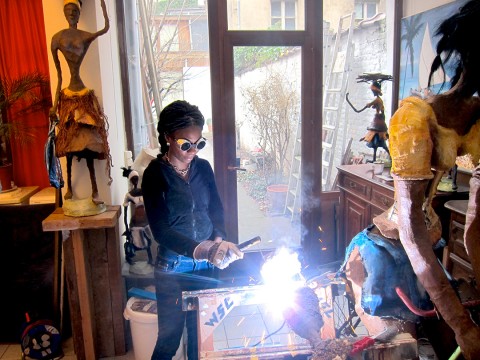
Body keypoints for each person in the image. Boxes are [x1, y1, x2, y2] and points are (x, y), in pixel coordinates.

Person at [383, 1, 480, 358]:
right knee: (401, 346)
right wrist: (462, 324)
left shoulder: (476, 118)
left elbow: (475, 225)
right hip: (394, 241)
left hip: (431, 239)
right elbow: (410, 230)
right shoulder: (414, 117)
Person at [142, 100, 244, 359]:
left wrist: (219, 241)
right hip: (173, 268)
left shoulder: (203, 168)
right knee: (169, 340)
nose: (193, 151)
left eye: (199, 144)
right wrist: (201, 249)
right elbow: (161, 231)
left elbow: (216, 211)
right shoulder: (155, 174)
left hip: (207, 268)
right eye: (185, 144)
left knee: (201, 339)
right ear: (168, 138)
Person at [50, 0, 112, 205]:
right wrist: (54, 104)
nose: (71, 14)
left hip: (83, 94)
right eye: (68, 11)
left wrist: (103, 5)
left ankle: (95, 188)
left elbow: (105, 28)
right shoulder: (57, 38)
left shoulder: (85, 36)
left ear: (79, 13)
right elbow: (59, 76)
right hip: (68, 94)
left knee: (88, 145)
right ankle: (68, 189)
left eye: (74, 11)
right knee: (69, 144)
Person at [121, 166, 153, 266]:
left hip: (146, 219)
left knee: (148, 240)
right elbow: (125, 211)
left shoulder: (144, 191)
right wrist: (126, 225)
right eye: (133, 179)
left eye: (136, 178)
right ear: (130, 180)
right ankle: (129, 256)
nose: (135, 181)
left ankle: (150, 259)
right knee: (136, 241)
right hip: (136, 221)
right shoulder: (129, 195)